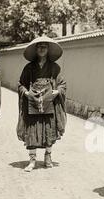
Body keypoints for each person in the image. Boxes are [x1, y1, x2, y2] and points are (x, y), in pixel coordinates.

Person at [17, 36, 67, 172]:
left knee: (48, 130)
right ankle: (32, 160)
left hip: (49, 103)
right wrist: (26, 93)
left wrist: (57, 92)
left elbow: (62, 84)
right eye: (39, 47)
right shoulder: (29, 67)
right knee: (32, 130)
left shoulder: (54, 67)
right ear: (35, 49)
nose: (41, 49)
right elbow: (21, 84)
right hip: (33, 102)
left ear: (48, 49)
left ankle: (48, 157)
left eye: (44, 46)